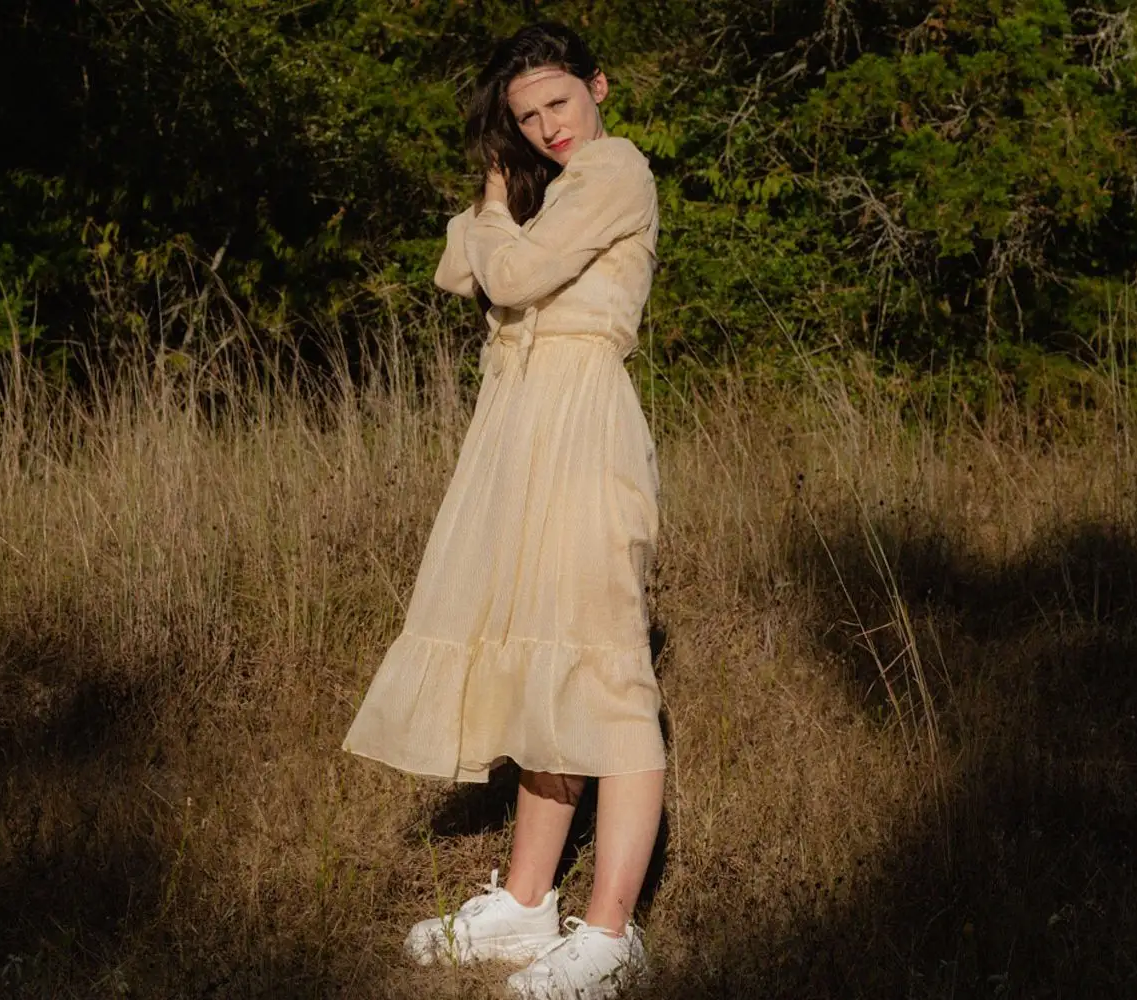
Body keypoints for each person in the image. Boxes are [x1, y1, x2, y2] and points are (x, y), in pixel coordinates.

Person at [341, 20, 665, 999]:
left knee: (606, 670)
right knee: (539, 663)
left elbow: (506, 273)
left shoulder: (615, 169)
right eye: (524, 118)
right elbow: (457, 270)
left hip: (582, 428)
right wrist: (500, 200)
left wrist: (491, 201)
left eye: (558, 102)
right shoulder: (552, 192)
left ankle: (610, 931)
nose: (546, 126)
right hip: (520, 434)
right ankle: (527, 904)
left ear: (599, 86)